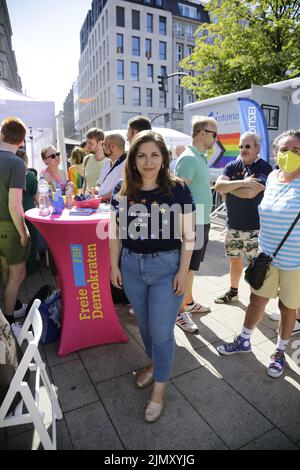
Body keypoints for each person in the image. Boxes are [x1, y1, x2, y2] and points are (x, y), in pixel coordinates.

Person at [110, 130, 195, 422]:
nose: (148, 161)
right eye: (142, 155)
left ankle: (159, 388)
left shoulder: (178, 189)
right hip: (132, 267)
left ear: (163, 158)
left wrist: (183, 272)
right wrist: (114, 265)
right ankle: (155, 363)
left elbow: (189, 234)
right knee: (145, 328)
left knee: (161, 331)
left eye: (154, 155)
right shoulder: (123, 189)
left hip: (166, 268)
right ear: (133, 159)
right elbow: (116, 233)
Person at [217, 129, 300, 378]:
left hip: (294, 262)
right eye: (284, 150)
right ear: (276, 152)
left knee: (287, 308)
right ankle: (244, 340)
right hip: (266, 257)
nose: (289, 155)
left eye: (296, 151)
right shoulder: (273, 177)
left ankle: (280, 351)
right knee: (256, 300)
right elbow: (224, 187)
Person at [214, 132, 272, 304]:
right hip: (233, 226)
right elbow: (218, 185)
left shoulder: (264, 168)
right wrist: (243, 182)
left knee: (257, 266)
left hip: (256, 229)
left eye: (248, 146)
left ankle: (257, 298)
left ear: (257, 148)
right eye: (241, 146)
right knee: (234, 259)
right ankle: (233, 292)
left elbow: (249, 194)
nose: (243, 149)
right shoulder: (232, 165)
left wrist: (229, 187)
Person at [174, 115, 217, 333]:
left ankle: (188, 302)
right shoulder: (190, 158)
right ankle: (180, 312)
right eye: (214, 134)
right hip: (193, 224)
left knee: (192, 268)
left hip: (202, 221)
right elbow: (178, 194)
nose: (215, 139)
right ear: (202, 133)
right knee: (187, 269)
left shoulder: (199, 157)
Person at [0, 117, 30, 337]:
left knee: (5, 271)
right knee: (16, 274)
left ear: (1, 135)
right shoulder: (16, 163)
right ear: (21, 141)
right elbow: (14, 204)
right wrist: (24, 232)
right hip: (9, 226)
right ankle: (9, 325)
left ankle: (12, 309)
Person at [16, 148, 38, 275]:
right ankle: (30, 268)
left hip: (13, 210)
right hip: (29, 210)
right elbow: (36, 196)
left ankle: (18, 269)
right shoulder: (30, 176)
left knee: (17, 240)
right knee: (31, 239)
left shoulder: (7, 174)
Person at [96, 134, 126, 202]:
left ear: (112, 146)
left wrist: (101, 198)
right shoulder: (107, 161)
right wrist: (96, 190)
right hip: (102, 204)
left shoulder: (127, 163)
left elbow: (123, 188)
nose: (102, 147)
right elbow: (99, 183)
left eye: (104, 144)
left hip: (114, 206)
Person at [82, 128, 110, 193]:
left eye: (90, 143)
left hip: (101, 201)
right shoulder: (87, 159)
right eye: (87, 142)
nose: (87, 146)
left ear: (100, 143)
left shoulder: (109, 162)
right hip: (86, 200)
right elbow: (85, 184)